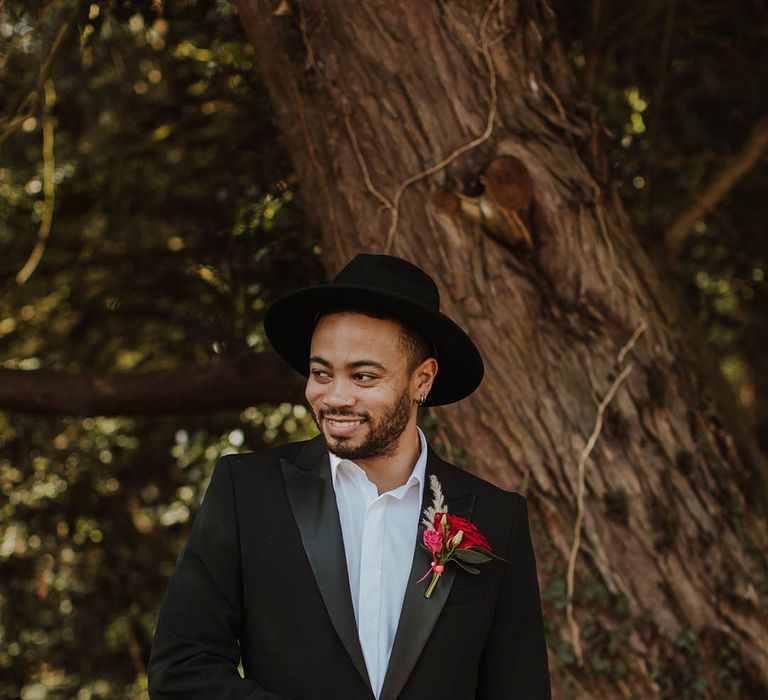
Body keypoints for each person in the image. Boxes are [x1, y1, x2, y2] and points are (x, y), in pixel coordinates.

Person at [148, 253, 551, 699]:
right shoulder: (247, 491)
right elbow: (181, 669)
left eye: (363, 376)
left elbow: (519, 687)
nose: (335, 397)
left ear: (422, 380)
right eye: (321, 373)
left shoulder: (495, 516)